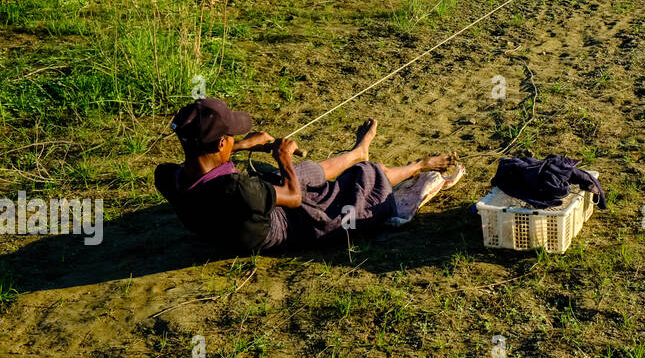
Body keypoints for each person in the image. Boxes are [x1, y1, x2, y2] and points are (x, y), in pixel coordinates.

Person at [155, 98, 462, 253]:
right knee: (366, 180)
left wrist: (246, 144)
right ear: (221, 143)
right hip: (286, 225)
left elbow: (203, 161)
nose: (236, 138)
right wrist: (283, 157)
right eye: (232, 137)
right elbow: (294, 197)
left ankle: (357, 152)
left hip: (242, 214)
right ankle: (418, 166)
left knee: (307, 171)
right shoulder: (239, 189)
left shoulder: (169, 177)